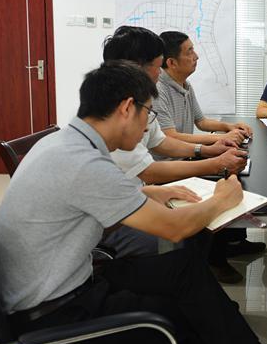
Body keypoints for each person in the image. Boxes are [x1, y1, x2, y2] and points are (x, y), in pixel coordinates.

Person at [0, 62, 267, 344]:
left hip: (58, 290)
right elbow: (175, 227)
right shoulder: (86, 164)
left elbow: (86, 209)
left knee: (185, 271)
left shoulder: (64, 143)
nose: (147, 129)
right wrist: (221, 199)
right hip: (59, 322)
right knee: (197, 312)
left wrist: (146, 194)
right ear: (127, 108)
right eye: (148, 114)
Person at [101, 26, 247, 261]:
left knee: (199, 213)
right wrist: (216, 164)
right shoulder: (119, 112)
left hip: (131, 195)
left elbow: (161, 141)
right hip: (115, 221)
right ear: (137, 68)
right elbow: (149, 169)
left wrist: (208, 151)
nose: (161, 73)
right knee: (192, 229)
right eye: (158, 66)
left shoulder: (139, 98)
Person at [155, 30, 265, 284]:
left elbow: (201, 121)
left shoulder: (185, 85)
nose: (196, 56)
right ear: (171, 62)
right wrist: (216, 141)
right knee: (223, 180)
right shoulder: (159, 90)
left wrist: (229, 127)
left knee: (237, 172)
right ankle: (215, 259)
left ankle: (234, 241)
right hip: (168, 166)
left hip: (184, 157)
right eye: (189, 52)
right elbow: (170, 137)